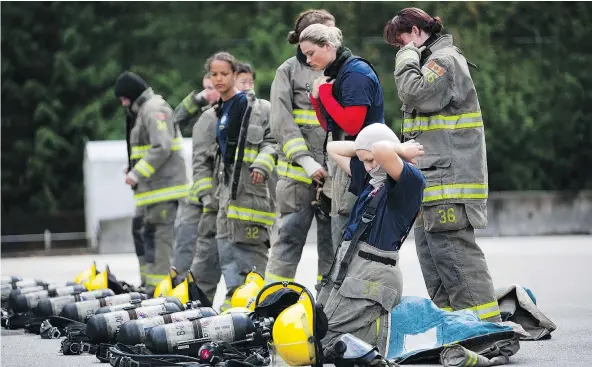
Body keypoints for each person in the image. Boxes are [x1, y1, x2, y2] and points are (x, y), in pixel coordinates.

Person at [383, 7, 501, 322]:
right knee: (436, 265)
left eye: (402, 40)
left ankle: (488, 334)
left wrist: (406, 57)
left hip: (449, 182)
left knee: (458, 262)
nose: (400, 48)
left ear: (418, 32)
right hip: (432, 183)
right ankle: (454, 331)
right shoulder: (429, 62)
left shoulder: (443, 61)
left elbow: (414, 93)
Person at [318, 123, 426, 353]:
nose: (367, 167)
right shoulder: (372, 181)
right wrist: (362, 149)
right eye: (363, 161)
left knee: (325, 340)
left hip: (373, 275)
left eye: (370, 160)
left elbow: (379, 149)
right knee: (316, 326)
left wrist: (397, 150)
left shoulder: (408, 183)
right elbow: (333, 148)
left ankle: (387, 336)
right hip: (352, 271)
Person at [191, 52, 276, 309]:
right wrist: (209, 198)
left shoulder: (259, 109)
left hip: (252, 203)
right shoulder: (219, 112)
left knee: (250, 272)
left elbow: (275, 142)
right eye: (214, 74)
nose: (219, 79)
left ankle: (253, 321)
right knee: (229, 269)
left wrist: (262, 163)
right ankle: (231, 325)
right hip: (225, 206)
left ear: (237, 76)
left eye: (224, 74)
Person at [265, 9, 336, 287]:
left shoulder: (342, 68)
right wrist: (306, 162)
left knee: (333, 246)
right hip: (297, 176)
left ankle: (328, 310)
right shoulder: (288, 71)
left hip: (334, 173)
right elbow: (281, 121)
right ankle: (273, 302)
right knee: (288, 240)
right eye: (328, 33)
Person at [300, 23, 385, 252]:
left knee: (346, 227)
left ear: (327, 46)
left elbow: (352, 124)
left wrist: (325, 94)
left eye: (310, 53)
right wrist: (317, 100)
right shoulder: (338, 73)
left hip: (360, 164)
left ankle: (349, 284)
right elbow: (330, 125)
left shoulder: (356, 73)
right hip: (346, 162)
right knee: (340, 225)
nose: (308, 60)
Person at [114, 71, 190, 294]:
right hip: (151, 192)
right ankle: (150, 287)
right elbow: (148, 150)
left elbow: (162, 146)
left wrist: (137, 173)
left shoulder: (155, 110)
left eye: (123, 98)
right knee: (144, 238)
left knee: (159, 244)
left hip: (163, 192)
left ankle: (160, 292)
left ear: (131, 94)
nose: (122, 103)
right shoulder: (142, 111)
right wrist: (134, 167)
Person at [173, 74, 220, 275]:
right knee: (185, 240)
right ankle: (180, 287)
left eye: (211, 88)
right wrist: (195, 99)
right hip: (199, 191)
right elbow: (175, 120)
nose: (207, 93)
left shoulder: (237, 110)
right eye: (205, 88)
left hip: (222, 192)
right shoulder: (204, 113)